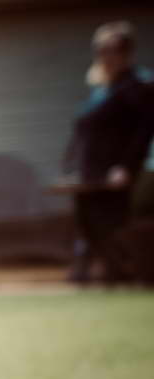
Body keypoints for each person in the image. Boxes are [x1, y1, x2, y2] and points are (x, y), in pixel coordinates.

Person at [65, 22, 154, 284]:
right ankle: (109, 274)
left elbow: (144, 130)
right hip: (89, 171)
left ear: (126, 53)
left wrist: (125, 166)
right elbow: (83, 130)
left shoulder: (138, 87)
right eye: (100, 50)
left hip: (116, 173)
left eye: (111, 50)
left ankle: (128, 275)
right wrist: (71, 166)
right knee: (89, 225)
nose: (105, 56)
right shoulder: (102, 90)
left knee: (114, 224)